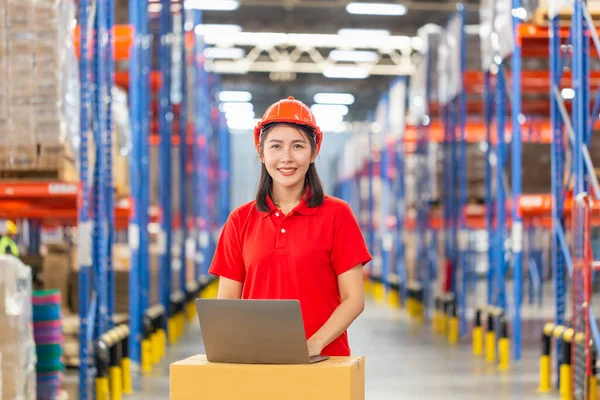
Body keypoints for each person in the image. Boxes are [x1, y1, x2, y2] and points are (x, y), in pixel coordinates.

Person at [208, 96, 372, 357]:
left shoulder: (337, 215)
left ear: (314, 151)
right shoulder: (240, 220)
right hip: (258, 360)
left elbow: (354, 299)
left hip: (325, 361)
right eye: (275, 146)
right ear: (261, 153)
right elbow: (227, 301)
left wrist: (314, 345)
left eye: (297, 146)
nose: (286, 158)